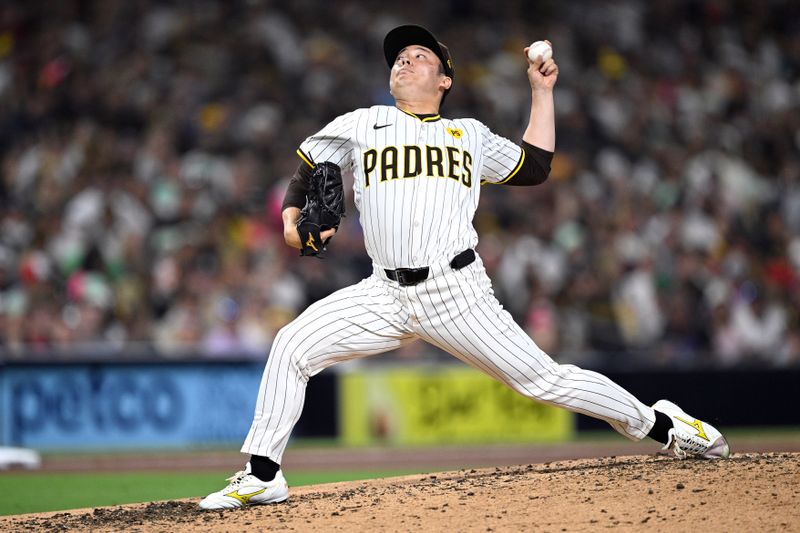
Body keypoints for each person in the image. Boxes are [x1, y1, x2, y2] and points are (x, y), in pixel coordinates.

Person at [199, 25, 730, 510]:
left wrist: (542, 92)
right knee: (291, 345)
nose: (404, 61)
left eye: (419, 56)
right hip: (382, 294)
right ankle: (263, 473)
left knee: (543, 381)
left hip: (457, 292)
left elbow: (535, 167)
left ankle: (662, 425)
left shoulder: (469, 136)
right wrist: (293, 224)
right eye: (399, 57)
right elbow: (307, 172)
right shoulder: (363, 123)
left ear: (445, 79)